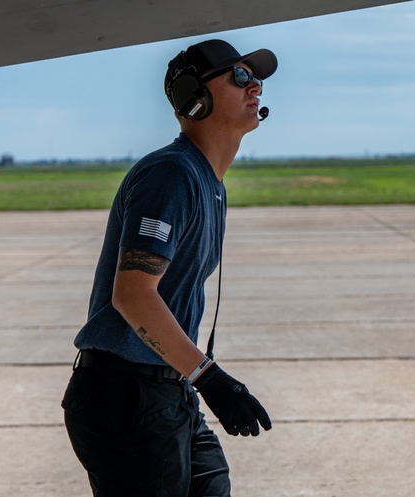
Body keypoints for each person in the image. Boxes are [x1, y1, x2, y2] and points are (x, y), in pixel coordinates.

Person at [62, 39, 276, 496]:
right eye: (239, 76)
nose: (254, 84)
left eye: (254, 77)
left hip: (167, 393)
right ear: (191, 97)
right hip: (126, 398)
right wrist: (211, 378)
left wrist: (195, 380)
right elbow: (133, 293)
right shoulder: (171, 175)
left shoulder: (208, 182)